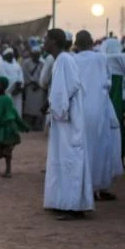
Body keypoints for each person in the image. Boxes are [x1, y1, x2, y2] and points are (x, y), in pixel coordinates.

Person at [43, 29, 93, 220]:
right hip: (64, 117)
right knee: (62, 160)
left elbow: (65, 90)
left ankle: (73, 206)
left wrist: (57, 109)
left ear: (54, 42)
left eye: (46, 40)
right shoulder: (63, 59)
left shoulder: (64, 60)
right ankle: (62, 202)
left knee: (70, 160)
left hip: (67, 119)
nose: (44, 43)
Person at [74, 31, 122, 201]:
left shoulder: (72, 60)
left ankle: (82, 188)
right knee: (101, 149)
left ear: (76, 44)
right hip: (99, 110)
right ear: (91, 42)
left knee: (81, 150)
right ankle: (99, 187)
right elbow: (107, 82)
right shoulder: (100, 58)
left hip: (78, 111)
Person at [21, 49, 45, 130]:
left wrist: (39, 84)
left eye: (38, 55)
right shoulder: (26, 63)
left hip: (39, 87)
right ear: (31, 55)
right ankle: (29, 125)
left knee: (38, 107)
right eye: (34, 54)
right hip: (30, 87)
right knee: (29, 107)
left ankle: (37, 125)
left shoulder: (42, 63)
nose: (36, 56)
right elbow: (25, 74)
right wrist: (32, 82)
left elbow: (44, 75)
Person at [0, 49, 24, 115]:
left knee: (16, 111)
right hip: (7, 92)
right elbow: (3, 78)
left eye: (12, 54)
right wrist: (15, 83)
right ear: (5, 56)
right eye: (9, 54)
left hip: (17, 93)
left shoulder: (17, 65)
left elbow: (21, 78)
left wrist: (19, 86)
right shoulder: (2, 65)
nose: (11, 55)